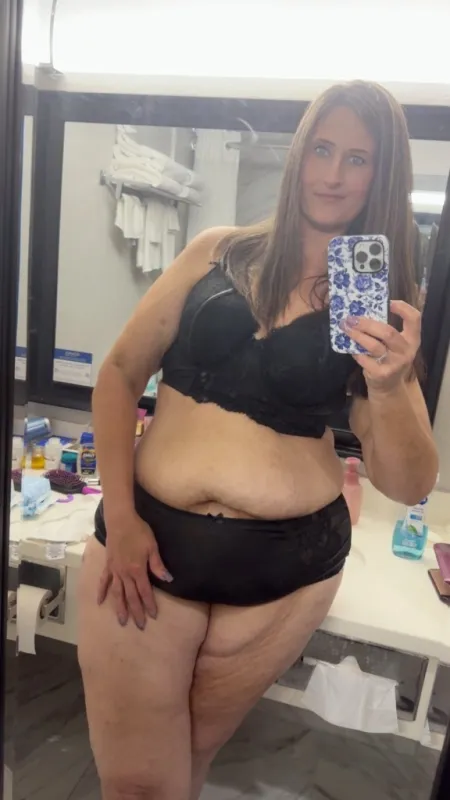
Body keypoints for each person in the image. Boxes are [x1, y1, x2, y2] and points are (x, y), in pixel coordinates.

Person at [77, 80, 439, 800]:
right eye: (322, 149)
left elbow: (409, 483)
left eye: (358, 159)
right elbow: (118, 375)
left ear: (383, 174)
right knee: (140, 784)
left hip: (285, 572)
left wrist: (392, 383)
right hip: (149, 540)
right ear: (299, 151)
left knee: (188, 765)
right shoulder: (216, 251)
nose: (332, 174)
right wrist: (120, 516)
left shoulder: (381, 307)